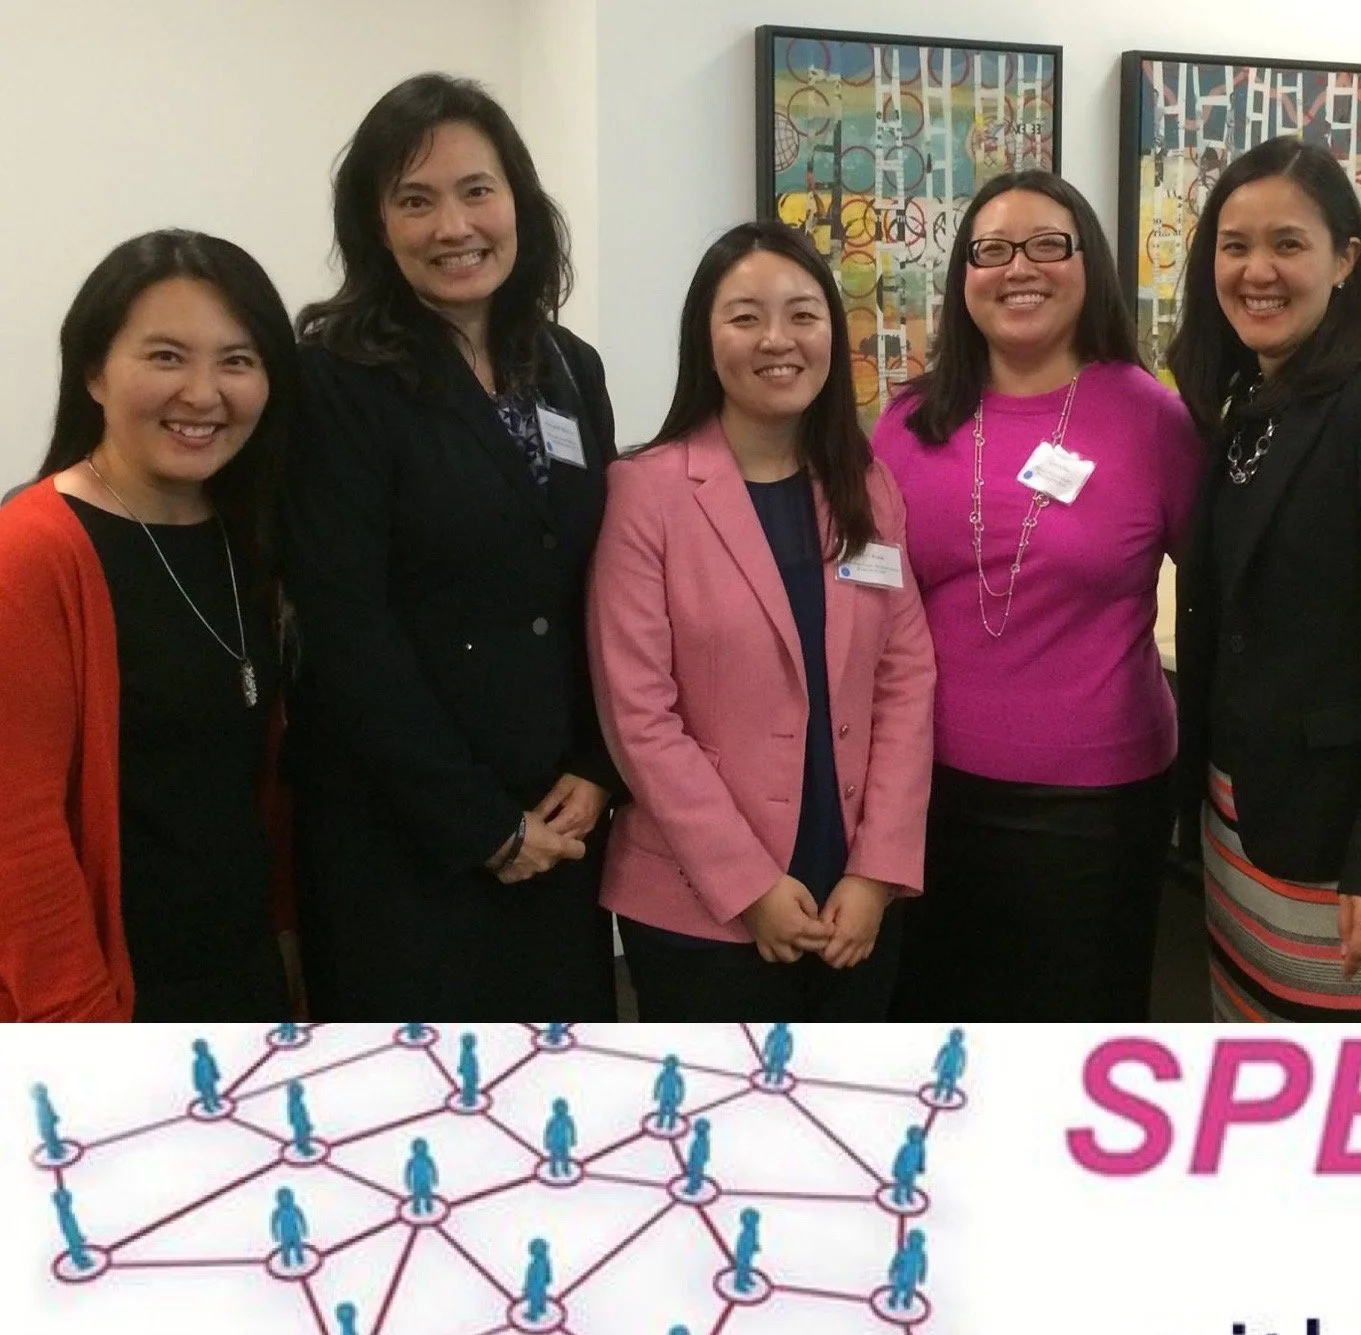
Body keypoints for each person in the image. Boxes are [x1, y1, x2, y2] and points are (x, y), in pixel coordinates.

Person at [284, 72, 617, 1020]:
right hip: (408, 833)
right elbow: (347, 628)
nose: (454, 225)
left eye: (477, 190)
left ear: (519, 201)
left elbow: (600, 578)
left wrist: (598, 767)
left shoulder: (566, 366)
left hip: (557, 814)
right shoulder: (335, 379)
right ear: (376, 227)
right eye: (415, 200)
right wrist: (481, 825)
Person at [869, 170, 1201, 1021]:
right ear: (963, 275)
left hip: (1099, 805)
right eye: (993, 249)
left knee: (1075, 1027)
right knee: (937, 1023)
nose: (1021, 267)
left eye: (1049, 244)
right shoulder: (906, 424)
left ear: (1087, 265)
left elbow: (1233, 593)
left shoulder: (1153, 419)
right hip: (928, 788)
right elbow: (862, 598)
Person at [587, 222, 934, 1022]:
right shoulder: (648, 493)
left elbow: (905, 679)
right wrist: (747, 885)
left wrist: (877, 871)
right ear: (705, 340)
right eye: (745, 316)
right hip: (696, 903)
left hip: (853, 894)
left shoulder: (868, 486)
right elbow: (639, 715)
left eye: (802, 315)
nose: (777, 340)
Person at [1169, 136, 1361, 1020]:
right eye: (1234, 245)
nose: (1257, 270)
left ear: (1345, 259)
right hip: (1249, 812)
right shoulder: (1250, 407)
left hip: (1345, 842)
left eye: (1288, 244)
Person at [0, 232, 295, 1022]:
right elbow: (16, 836)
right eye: (166, 357)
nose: (203, 394)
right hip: (105, 1005)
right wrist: (83, 1040)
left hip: (241, 978)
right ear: (93, 370)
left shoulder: (250, 540)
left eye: (238, 361)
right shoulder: (31, 551)